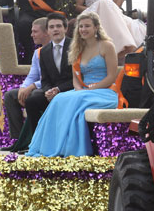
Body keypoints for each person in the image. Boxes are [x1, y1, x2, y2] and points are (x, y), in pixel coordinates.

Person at [27, 11, 118, 157]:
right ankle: (52, 146)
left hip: (104, 91)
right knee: (58, 99)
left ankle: (72, 148)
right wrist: (78, 89)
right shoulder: (78, 48)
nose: (83, 29)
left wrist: (90, 89)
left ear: (96, 28)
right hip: (82, 91)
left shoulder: (107, 46)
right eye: (81, 26)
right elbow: (76, 77)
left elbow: (111, 76)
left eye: (87, 26)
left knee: (75, 99)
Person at [24, 13, 75, 132]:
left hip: (71, 90)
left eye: (58, 26)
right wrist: (48, 91)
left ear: (65, 28)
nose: (55, 29)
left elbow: (78, 76)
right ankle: (36, 140)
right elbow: (45, 79)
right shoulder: (44, 51)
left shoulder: (75, 46)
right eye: (51, 27)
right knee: (32, 101)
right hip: (52, 92)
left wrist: (58, 89)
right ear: (47, 31)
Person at [4, 17, 50, 138]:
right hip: (38, 87)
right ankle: (17, 139)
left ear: (46, 32)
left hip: (49, 87)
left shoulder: (55, 50)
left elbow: (51, 78)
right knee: (10, 96)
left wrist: (32, 87)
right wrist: (23, 89)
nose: (31, 35)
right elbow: (32, 75)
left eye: (35, 32)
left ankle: (34, 139)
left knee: (34, 95)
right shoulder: (38, 52)